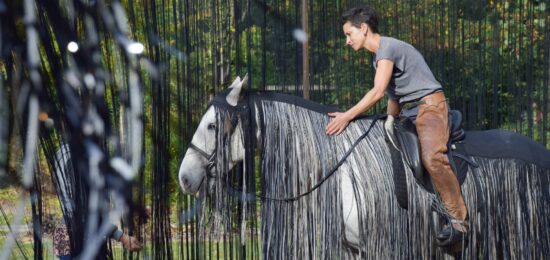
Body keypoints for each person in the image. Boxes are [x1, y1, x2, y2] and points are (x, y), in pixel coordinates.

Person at [325, 6, 468, 246]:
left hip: (430, 108)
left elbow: (379, 91)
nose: (347, 41)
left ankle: (458, 220)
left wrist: (347, 116)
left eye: (349, 34)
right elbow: (394, 97)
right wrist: (389, 121)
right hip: (409, 112)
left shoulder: (388, 48)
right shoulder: (379, 57)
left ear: (363, 28)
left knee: (432, 157)